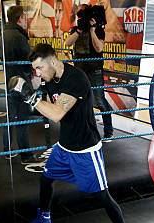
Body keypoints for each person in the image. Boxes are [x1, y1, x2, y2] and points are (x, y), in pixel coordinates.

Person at [10, 43, 133, 223]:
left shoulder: (76, 79)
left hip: (86, 150)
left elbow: (56, 114)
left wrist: (31, 97)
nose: (38, 72)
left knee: (102, 196)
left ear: (53, 61)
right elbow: (46, 104)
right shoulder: (50, 79)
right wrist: (34, 92)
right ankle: (44, 216)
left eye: (40, 68)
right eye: (35, 69)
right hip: (64, 147)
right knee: (46, 178)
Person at [64, 4, 114, 141]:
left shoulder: (98, 30)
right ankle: (88, 129)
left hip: (95, 70)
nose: (82, 17)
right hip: (79, 70)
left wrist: (92, 30)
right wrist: (79, 30)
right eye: (80, 15)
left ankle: (108, 130)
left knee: (100, 100)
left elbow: (98, 48)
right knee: (82, 100)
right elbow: (67, 43)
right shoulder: (76, 29)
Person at [1, 5, 40, 164]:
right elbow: (28, 60)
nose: (26, 20)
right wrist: (32, 72)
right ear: (19, 19)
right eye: (24, 17)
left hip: (8, 80)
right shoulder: (19, 36)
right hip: (21, 82)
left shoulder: (2, 34)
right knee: (23, 118)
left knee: (10, 117)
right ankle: (26, 155)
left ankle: (7, 150)